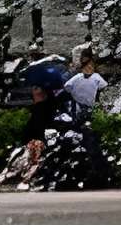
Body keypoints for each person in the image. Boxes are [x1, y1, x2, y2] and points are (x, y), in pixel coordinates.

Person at [10, 61, 114, 191]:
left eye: (34, 89)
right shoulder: (65, 105)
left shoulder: (42, 114)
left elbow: (30, 143)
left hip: (58, 172)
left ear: (38, 90)